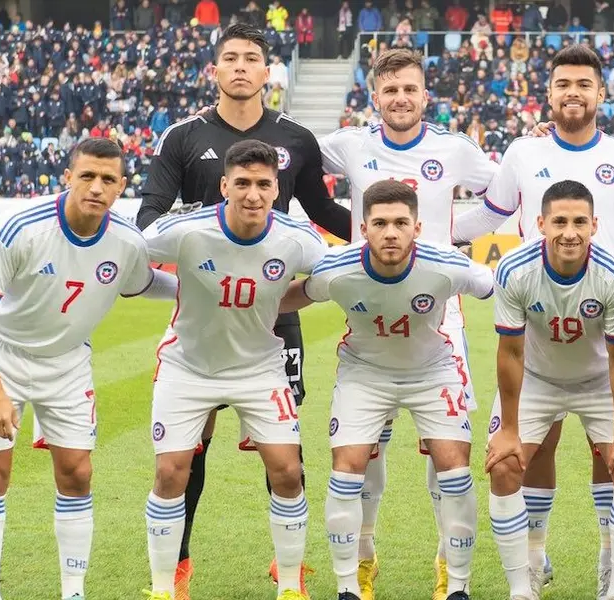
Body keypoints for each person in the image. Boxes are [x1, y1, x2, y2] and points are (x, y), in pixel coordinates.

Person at [455, 45, 614, 598]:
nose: (573, 92)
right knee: (533, 448)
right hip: (538, 326)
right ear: (549, 92)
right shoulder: (522, 151)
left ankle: (610, 566)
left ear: (601, 93)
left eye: (584, 84)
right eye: (563, 84)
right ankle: (533, 560)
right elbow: (490, 215)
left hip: (604, 327)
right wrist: (430, 234)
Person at [136, 22, 352, 597]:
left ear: (266, 71)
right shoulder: (183, 136)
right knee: (190, 448)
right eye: (229, 58)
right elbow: (149, 218)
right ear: (215, 70)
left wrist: (382, 237)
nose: (239, 67)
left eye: (250, 58)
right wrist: (195, 262)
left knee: (285, 451)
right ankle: (178, 564)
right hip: (207, 313)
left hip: (273, 317)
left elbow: (322, 211)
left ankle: (289, 569)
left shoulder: (296, 138)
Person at [318, 47, 501, 600]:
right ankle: (363, 558)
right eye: (390, 90)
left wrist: (449, 234)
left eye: (410, 89)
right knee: (364, 451)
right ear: (375, 96)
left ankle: (449, 564)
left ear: (425, 96)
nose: (400, 99)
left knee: (445, 453)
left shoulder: (454, 148)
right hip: (371, 312)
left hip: (438, 315)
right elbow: (294, 160)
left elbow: (504, 196)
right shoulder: (350, 144)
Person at [0, 138, 175, 600]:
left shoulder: (127, 241)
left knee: (77, 474)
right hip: (4, 356)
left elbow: (144, 284)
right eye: (87, 176)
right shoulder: (22, 226)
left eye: (108, 179)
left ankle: (73, 592)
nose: (96, 187)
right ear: (68, 177)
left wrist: (198, 287)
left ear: (121, 186)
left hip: (68, 362)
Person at [279, 179, 494, 600]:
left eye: (400, 223)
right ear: (364, 228)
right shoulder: (337, 267)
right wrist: (241, 304)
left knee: (455, 470)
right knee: (347, 469)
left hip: (432, 372)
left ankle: (457, 585)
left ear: (418, 227)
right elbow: (296, 296)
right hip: (365, 373)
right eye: (380, 223)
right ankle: (349, 586)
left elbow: (497, 286)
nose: (390, 232)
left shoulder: (447, 264)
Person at [140, 140, 329, 600]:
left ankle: (290, 586)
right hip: (188, 366)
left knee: (287, 470)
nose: (252, 194)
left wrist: (282, 298)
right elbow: (130, 258)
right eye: (242, 183)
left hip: (259, 368)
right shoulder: (186, 231)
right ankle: (163, 588)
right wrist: (178, 289)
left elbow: (328, 279)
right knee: (171, 473)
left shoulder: (298, 239)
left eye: (263, 184)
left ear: (276, 188)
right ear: (224, 186)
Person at [485, 179, 614, 600]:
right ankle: (524, 582)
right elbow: (511, 352)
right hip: (537, 378)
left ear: (595, 225)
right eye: (559, 221)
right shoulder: (514, 269)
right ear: (541, 224)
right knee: (504, 464)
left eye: (579, 222)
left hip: (599, 381)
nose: (570, 232)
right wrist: (508, 429)